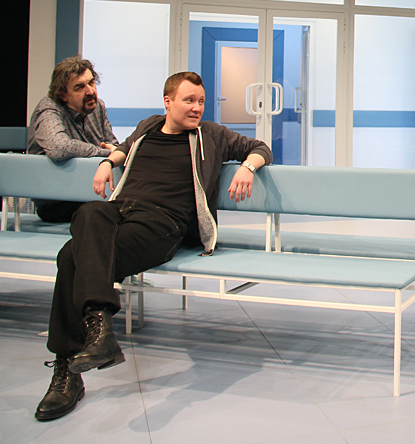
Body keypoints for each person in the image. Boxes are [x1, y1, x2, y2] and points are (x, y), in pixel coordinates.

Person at [34, 71, 272, 421]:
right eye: (189, 100)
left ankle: (69, 369)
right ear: (168, 102)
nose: (197, 107)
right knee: (89, 212)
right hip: (121, 212)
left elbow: (261, 148)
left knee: (70, 257)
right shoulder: (148, 126)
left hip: (162, 224)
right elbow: (124, 148)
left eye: (201, 101)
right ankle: (99, 330)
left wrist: (248, 168)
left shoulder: (211, 135)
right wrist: (107, 163)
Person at [28, 56, 119, 222]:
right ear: (63, 95)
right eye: (79, 87)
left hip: (92, 193)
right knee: (117, 212)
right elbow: (60, 148)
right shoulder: (48, 110)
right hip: (57, 202)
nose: (90, 91)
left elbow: (112, 144)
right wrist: (106, 153)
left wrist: (116, 152)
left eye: (91, 83)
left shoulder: (97, 107)